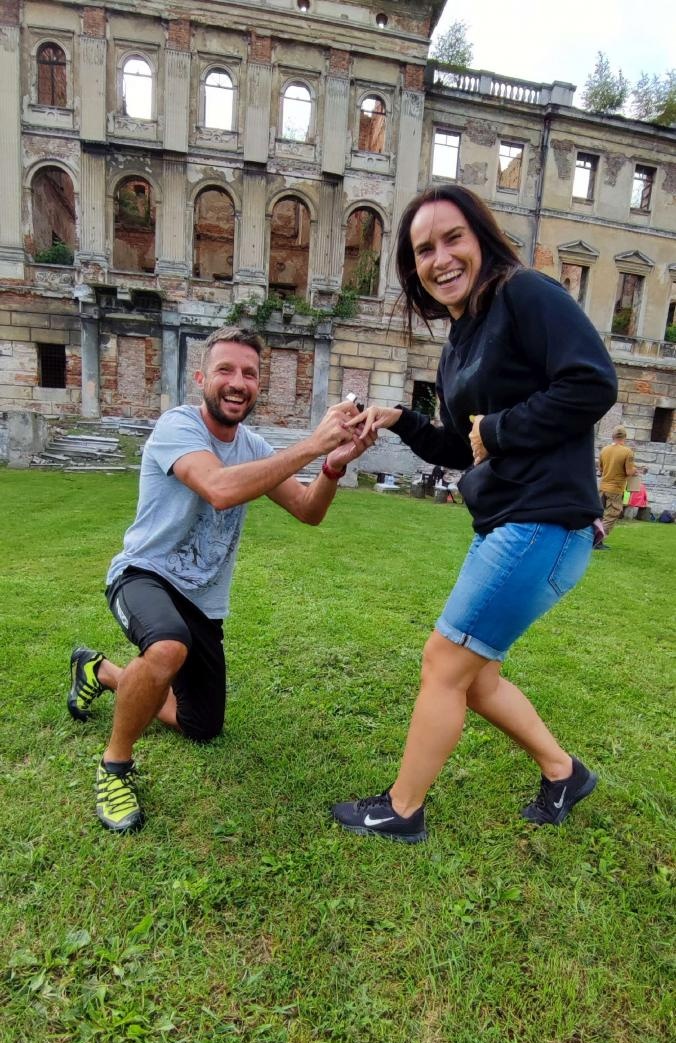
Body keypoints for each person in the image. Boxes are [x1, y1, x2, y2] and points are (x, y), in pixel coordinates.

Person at [331, 184, 618, 843]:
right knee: (475, 674)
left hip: (543, 522)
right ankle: (563, 772)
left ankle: (402, 811)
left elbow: (592, 382)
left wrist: (503, 429)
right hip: (508, 524)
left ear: (480, 239)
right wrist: (402, 419)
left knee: (444, 662)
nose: (440, 258)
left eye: (452, 238)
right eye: (423, 250)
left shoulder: (524, 293)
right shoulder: (458, 341)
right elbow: (467, 448)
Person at [68, 326, 373, 833]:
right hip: (144, 574)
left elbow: (307, 511)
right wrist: (312, 442)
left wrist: (332, 467)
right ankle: (114, 767)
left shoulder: (252, 445)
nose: (238, 382)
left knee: (200, 725)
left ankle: (99, 672)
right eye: (226, 370)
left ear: (259, 385)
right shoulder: (177, 426)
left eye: (249, 374)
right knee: (167, 647)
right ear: (201, 378)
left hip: (201, 602)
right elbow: (218, 489)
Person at [598, 425, 637, 543]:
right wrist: (635, 470)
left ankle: (591, 538)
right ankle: (598, 541)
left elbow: (600, 470)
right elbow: (629, 472)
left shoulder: (604, 450)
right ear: (625, 437)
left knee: (599, 514)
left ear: (613, 436)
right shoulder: (627, 452)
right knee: (612, 514)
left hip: (602, 486)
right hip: (615, 488)